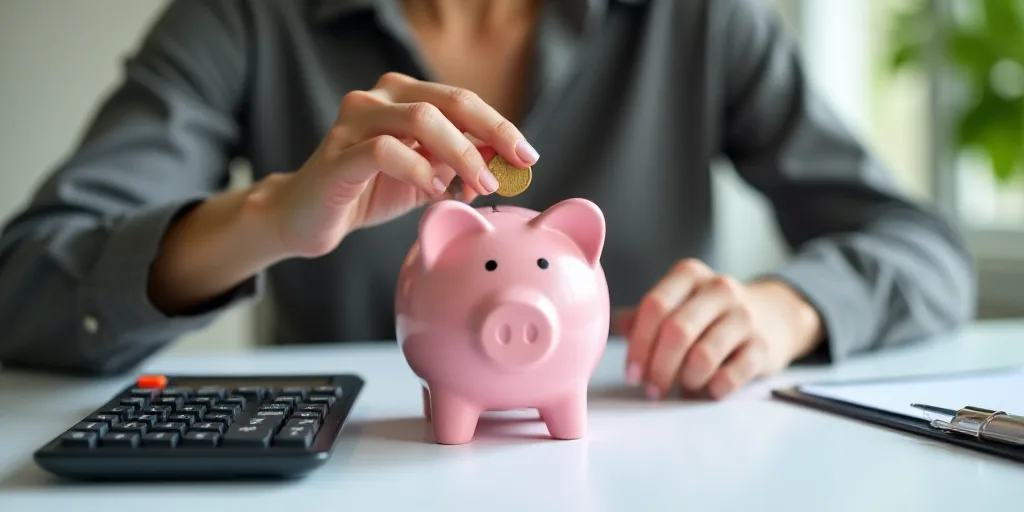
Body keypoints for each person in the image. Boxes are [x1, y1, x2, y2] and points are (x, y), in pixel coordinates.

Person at [0, 0, 975, 400]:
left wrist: (782, 308)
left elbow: (920, 248)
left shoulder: (698, 17)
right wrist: (271, 214)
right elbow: (29, 286)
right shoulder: (243, 19)